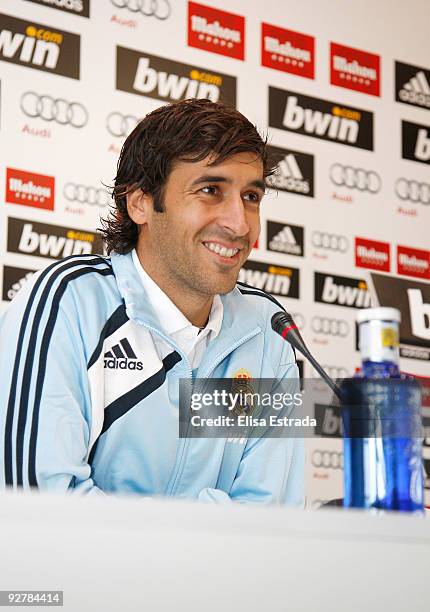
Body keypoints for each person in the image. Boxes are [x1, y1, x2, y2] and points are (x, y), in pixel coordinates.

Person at [0, 99, 304, 504]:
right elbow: (41, 502)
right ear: (140, 202)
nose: (240, 223)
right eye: (210, 190)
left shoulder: (268, 329)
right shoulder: (68, 300)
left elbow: (272, 516)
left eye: (251, 196)